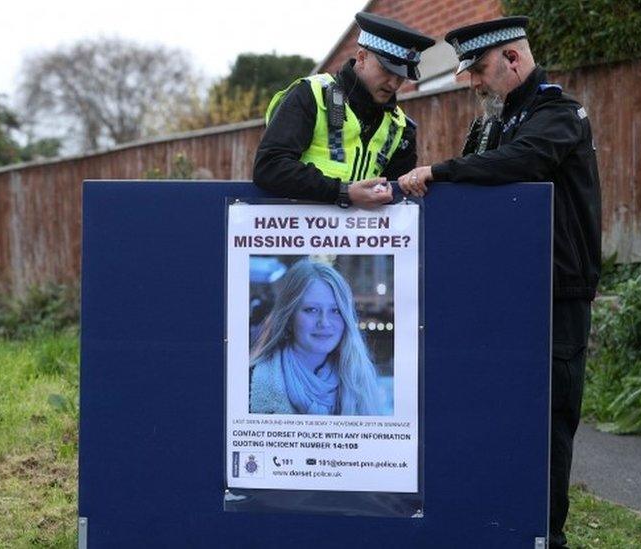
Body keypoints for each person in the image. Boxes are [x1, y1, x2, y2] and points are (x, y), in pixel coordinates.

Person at [397, 17, 601, 548]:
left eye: (480, 70)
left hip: (555, 299)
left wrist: (441, 172)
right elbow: (476, 183)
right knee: (493, 419)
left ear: (513, 59)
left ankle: (545, 537)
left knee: (547, 429)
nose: (474, 83)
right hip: (499, 299)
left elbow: (524, 161)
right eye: (468, 74)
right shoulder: (490, 124)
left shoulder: (559, 113)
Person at [253, 13, 435, 209]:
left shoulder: (401, 127)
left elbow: (398, 199)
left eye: (401, 77)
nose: (394, 84)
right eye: (387, 70)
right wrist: (342, 192)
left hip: (361, 237)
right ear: (361, 57)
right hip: (298, 233)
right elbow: (269, 167)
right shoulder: (311, 94)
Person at [249, 259, 384, 416]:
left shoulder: (361, 381)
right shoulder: (250, 384)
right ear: (289, 316)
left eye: (336, 310)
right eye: (311, 309)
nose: (324, 322)